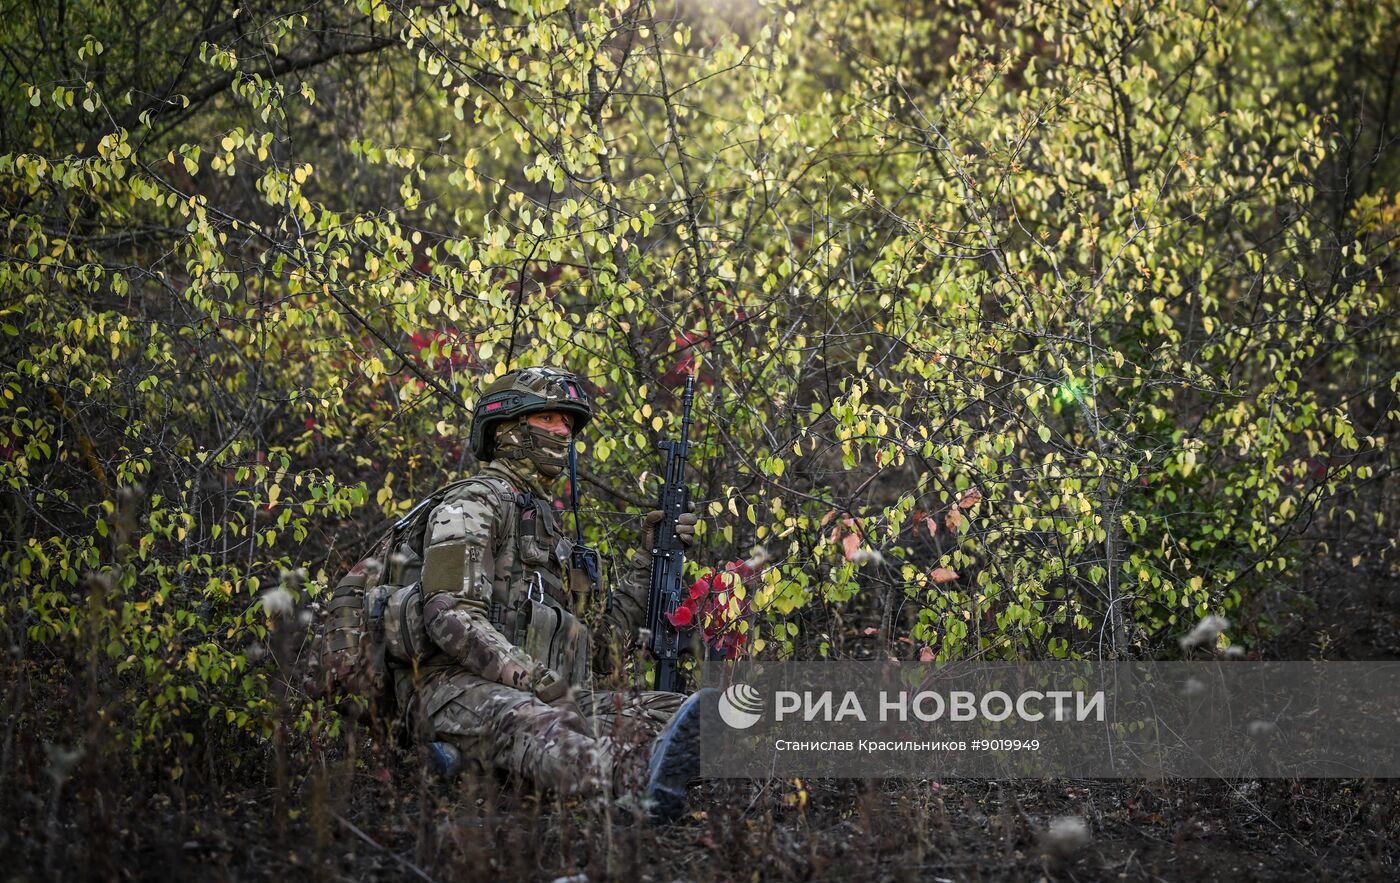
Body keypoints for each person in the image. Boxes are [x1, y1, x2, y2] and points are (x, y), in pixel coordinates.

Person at [394, 365, 706, 821]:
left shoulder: (549, 530)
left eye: (567, 422)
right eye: (549, 418)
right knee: (542, 725)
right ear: (506, 429)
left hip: (541, 692)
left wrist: (649, 560)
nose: (563, 431)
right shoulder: (473, 502)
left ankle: (659, 774)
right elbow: (450, 615)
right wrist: (535, 679)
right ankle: (634, 786)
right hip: (453, 688)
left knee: (685, 715)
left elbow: (599, 653)